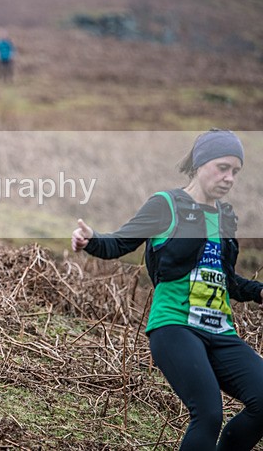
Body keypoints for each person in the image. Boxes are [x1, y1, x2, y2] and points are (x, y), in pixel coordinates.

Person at [71, 129, 263, 450]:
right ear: (201, 164)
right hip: (175, 326)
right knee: (208, 413)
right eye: (222, 167)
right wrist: (91, 240)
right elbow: (120, 242)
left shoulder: (225, 218)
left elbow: (226, 280)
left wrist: (258, 291)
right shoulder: (166, 205)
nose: (229, 178)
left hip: (221, 332)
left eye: (235, 171)